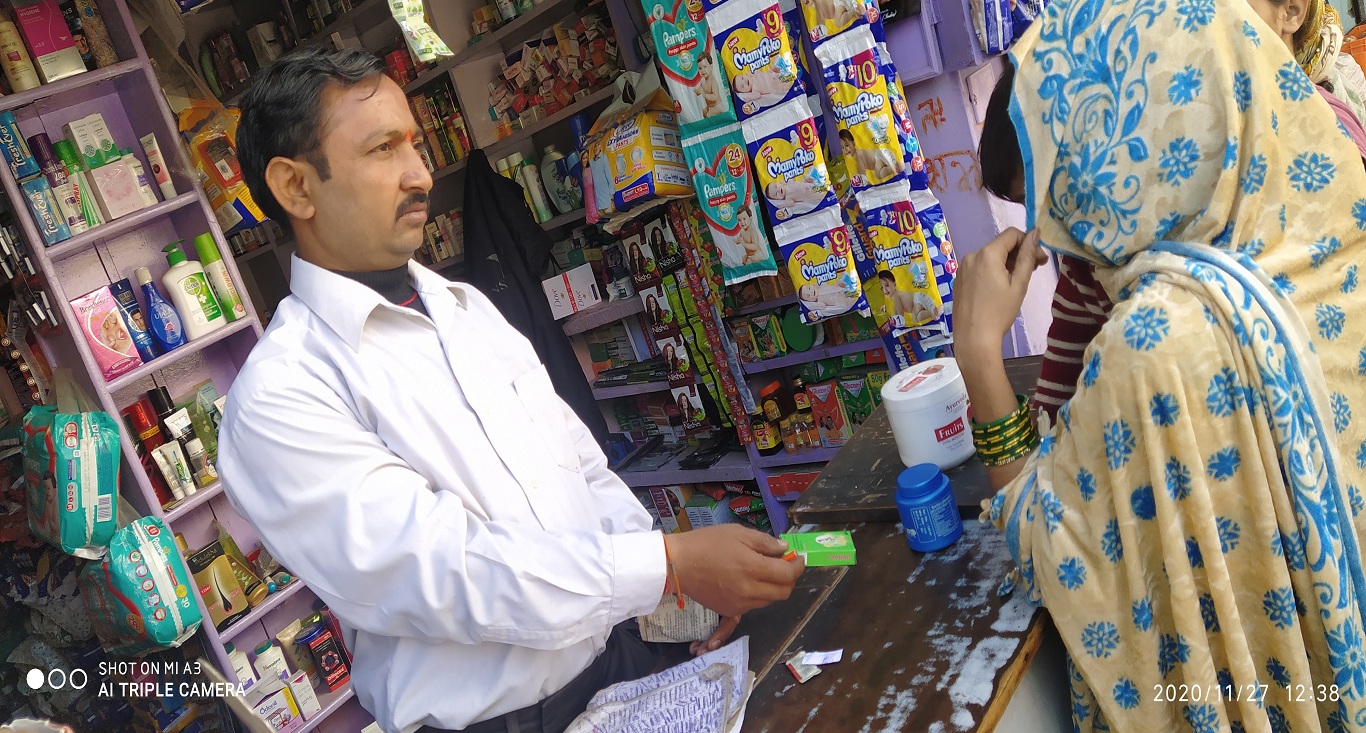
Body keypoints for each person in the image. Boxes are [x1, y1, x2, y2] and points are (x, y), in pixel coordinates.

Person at [221, 48, 804, 733]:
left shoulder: (466, 308)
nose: (420, 173)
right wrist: (668, 563)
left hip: (616, 670)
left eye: (414, 143)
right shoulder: (281, 394)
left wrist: (677, 591)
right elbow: (449, 571)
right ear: (296, 188)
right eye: (382, 149)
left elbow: (582, 470)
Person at [957, 0, 1366, 730]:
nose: (1050, 237)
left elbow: (1049, 550)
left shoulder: (1153, 348)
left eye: (1055, 198)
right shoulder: (1316, 218)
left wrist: (980, 353)